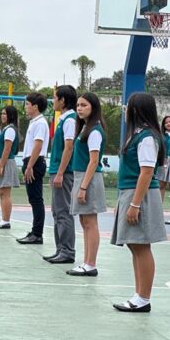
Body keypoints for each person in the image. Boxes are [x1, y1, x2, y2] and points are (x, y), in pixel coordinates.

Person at [111, 92, 166, 313]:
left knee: (141, 246)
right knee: (135, 246)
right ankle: (138, 295)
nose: (124, 111)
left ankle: (144, 298)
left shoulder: (146, 137)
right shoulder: (138, 135)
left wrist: (134, 204)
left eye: (127, 107)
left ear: (135, 110)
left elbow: (146, 172)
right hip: (132, 193)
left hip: (140, 195)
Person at [66, 93, 107, 277]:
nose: (79, 108)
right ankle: (86, 262)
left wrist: (83, 187)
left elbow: (94, 161)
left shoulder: (94, 131)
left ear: (93, 107)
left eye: (84, 105)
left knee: (90, 222)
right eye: (78, 105)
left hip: (88, 179)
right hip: (81, 177)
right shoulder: (85, 128)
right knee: (84, 221)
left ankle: (91, 264)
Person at [43, 85, 77, 263]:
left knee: (64, 212)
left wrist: (61, 172)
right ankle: (60, 249)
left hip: (63, 172)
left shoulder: (70, 120)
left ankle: (67, 251)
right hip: (57, 170)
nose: (53, 101)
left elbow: (69, 147)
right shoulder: (63, 119)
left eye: (55, 98)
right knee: (57, 212)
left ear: (63, 100)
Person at [16, 92, 50, 245]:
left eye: (27, 104)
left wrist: (30, 166)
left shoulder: (40, 123)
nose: (25, 107)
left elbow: (38, 145)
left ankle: (37, 234)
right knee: (33, 199)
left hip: (34, 162)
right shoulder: (34, 122)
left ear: (35, 106)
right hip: (31, 162)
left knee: (36, 199)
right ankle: (35, 231)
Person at [0, 105, 20, 229]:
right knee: (1, 192)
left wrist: (1, 166)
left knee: (5, 193)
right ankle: (4, 219)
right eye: (2, 113)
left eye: (5, 114)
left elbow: (7, 148)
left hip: (6, 162)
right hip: (2, 161)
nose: (3, 116)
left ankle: (6, 220)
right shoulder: (7, 129)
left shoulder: (10, 130)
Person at [157, 115, 170, 204]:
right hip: (164, 161)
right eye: (166, 122)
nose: (168, 124)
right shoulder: (162, 135)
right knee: (161, 185)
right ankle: (160, 205)